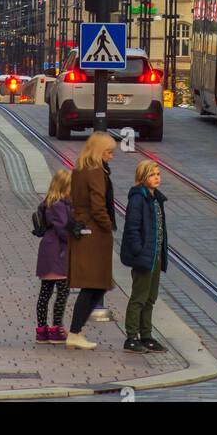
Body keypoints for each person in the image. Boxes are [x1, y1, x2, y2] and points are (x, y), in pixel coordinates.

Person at [66, 132, 117, 350]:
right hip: (95, 232)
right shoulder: (96, 171)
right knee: (93, 284)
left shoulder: (79, 168)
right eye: (108, 152)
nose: (111, 156)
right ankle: (75, 332)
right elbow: (98, 204)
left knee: (96, 284)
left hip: (83, 228)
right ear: (98, 151)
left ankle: (76, 331)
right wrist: (107, 226)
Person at [121, 161, 169, 353]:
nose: (157, 177)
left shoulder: (156, 198)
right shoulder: (138, 199)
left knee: (150, 297)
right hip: (144, 256)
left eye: (158, 174)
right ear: (142, 177)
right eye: (152, 175)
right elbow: (132, 227)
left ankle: (146, 335)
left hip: (155, 254)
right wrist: (139, 250)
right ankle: (131, 337)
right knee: (139, 297)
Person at [35, 169, 73, 344]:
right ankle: (56, 328)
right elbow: (64, 230)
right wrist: (78, 231)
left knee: (46, 292)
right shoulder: (59, 205)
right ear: (64, 188)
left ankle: (42, 329)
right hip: (58, 254)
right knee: (62, 292)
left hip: (49, 253)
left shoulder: (50, 203)